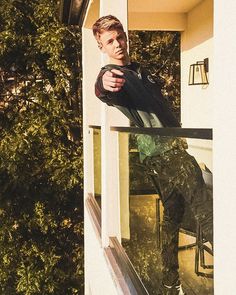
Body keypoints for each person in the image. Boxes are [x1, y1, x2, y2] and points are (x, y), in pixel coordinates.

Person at [92, 15, 213, 295]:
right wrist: (103, 83)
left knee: (172, 216)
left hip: (164, 153)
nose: (118, 43)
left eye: (120, 36)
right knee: (206, 211)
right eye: (110, 41)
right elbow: (103, 88)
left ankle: (171, 284)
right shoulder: (115, 75)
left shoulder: (138, 71)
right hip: (164, 155)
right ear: (102, 47)